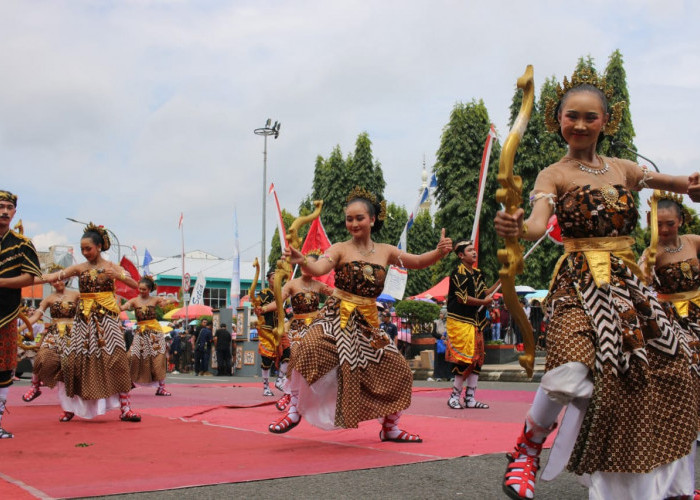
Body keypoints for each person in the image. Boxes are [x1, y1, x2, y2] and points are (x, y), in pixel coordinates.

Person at [494, 68, 700, 499]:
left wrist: (693, 187)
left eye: (591, 117)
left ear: (607, 122)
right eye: (572, 116)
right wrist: (515, 226)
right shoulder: (553, 174)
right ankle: (527, 451)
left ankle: (674, 481)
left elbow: (678, 184)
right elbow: (536, 224)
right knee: (567, 375)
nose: (581, 125)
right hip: (578, 285)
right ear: (558, 121)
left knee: (678, 368)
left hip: (629, 288)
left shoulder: (624, 170)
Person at [269, 186, 452, 442]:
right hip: (336, 317)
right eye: (349, 219)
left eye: (359, 218)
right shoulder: (340, 249)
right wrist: (302, 260)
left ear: (372, 219)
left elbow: (419, 261)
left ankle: (391, 427)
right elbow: (320, 266)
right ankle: (294, 409)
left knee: (398, 369)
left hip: (367, 324)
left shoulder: (386, 250)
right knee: (306, 348)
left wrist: (439, 252)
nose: (353, 223)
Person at [41, 223, 142, 422]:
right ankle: (70, 407)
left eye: (88, 248)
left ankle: (125, 408)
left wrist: (119, 275)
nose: (85, 252)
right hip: (84, 319)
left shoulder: (112, 267)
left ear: (99, 246)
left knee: (117, 359)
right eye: (82, 249)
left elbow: (135, 285)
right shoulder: (80, 268)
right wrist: (27, 279)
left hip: (107, 318)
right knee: (74, 360)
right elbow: (54, 276)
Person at [256, 250, 334, 411]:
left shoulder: (318, 285)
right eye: (304, 263)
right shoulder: (292, 285)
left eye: (311, 264)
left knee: (320, 359)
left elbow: (336, 296)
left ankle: (308, 396)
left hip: (316, 327)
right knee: (296, 360)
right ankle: (288, 393)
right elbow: (278, 302)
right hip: (298, 328)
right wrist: (263, 309)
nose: (307, 267)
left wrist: (326, 309)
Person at [0, 190, 41, 437]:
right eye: (1, 206)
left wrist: (1, 282)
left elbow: (30, 276)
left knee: (4, 369)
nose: (4, 211)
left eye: (8, 207)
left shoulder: (22, 244)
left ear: (14, 212)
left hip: (5, 315)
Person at [445, 240, 499, 410]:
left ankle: (470, 398)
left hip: (476, 322)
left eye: (474, 249)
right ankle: (454, 397)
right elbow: (462, 298)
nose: (474, 252)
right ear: (461, 255)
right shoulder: (458, 273)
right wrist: (484, 301)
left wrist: (502, 279)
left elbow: (486, 292)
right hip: (461, 321)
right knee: (463, 360)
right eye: (470, 250)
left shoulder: (477, 273)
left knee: (477, 361)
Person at [22, 265, 80, 402]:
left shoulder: (76, 295)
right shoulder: (48, 299)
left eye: (60, 279)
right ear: (50, 282)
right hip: (54, 334)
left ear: (65, 279)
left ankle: (72, 399)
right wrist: (18, 329)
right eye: (54, 280)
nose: (58, 282)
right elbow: (35, 317)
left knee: (72, 364)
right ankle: (35, 387)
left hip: (74, 334)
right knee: (40, 358)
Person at [120, 276, 177, 396]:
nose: (141, 291)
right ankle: (129, 382)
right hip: (140, 332)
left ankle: (161, 388)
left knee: (159, 358)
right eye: (140, 289)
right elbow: (123, 307)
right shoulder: (134, 300)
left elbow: (171, 300)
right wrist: (118, 304)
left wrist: (166, 300)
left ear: (150, 289)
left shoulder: (155, 299)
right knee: (132, 356)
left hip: (155, 332)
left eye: (144, 289)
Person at [255, 270, 279, 396]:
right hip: (267, 330)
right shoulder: (264, 293)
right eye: (273, 278)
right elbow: (257, 308)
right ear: (269, 279)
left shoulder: (282, 293)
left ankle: (281, 379)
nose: (276, 280)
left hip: (280, 329)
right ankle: (265, 385)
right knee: (267, 359)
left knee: (286, 354)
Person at [430, 308, 449, 381]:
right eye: (440, 313)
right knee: (438, 360)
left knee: (447, 360)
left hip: (447, 343)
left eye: (441, 313)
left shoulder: (449, 322)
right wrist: (440, 337)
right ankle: (438, 376)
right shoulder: (436, 322)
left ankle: (449, 375)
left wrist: (447, 339)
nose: (440, 315)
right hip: (438, 343)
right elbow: (433, 333)